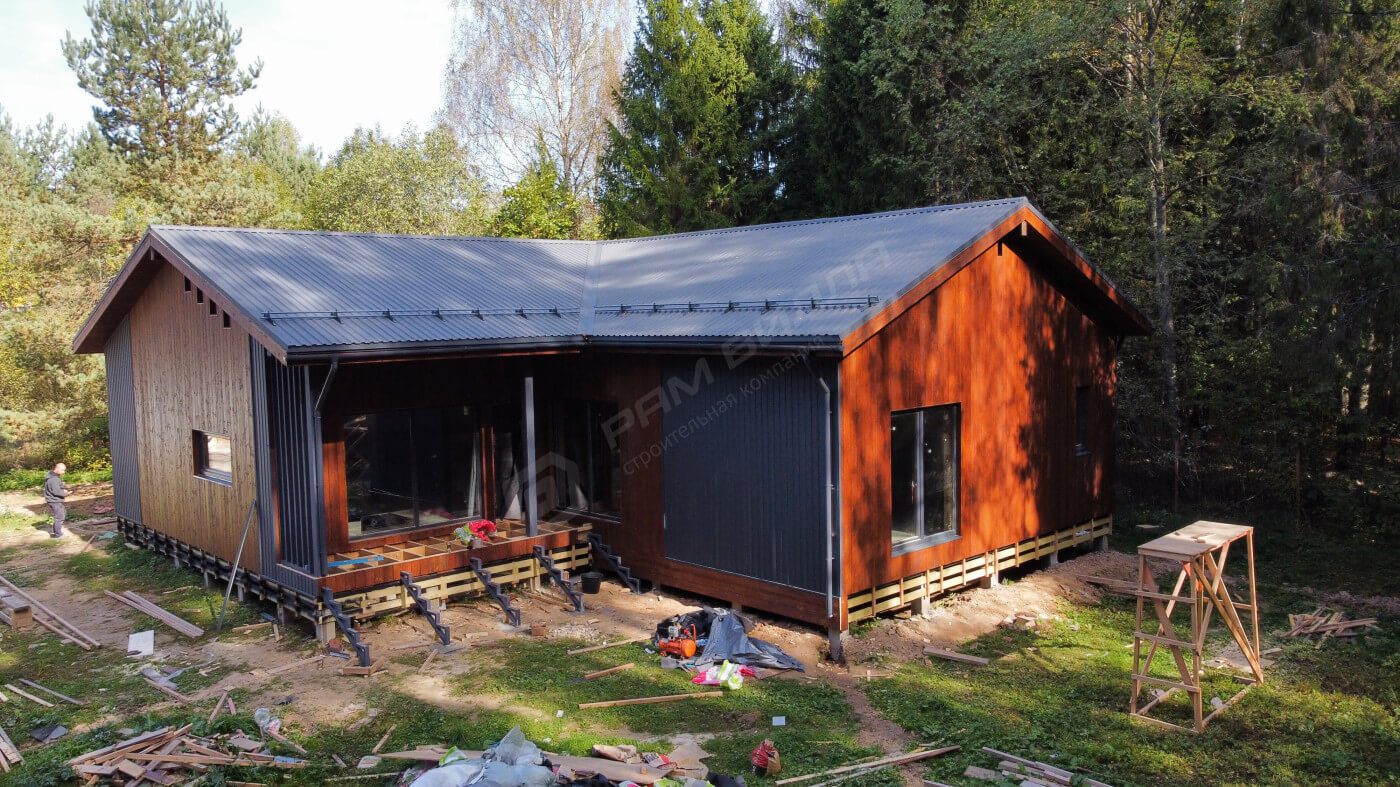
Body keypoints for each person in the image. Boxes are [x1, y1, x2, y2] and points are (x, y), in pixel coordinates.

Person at [43, 462, 71, 538]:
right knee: (60, 517)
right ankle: (58, 534)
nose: (63, 472)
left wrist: (63, 491)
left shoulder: (52, 477)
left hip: (54, 500)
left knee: (62, 514)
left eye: (64, 470)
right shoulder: (54, 479)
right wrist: (66, 494)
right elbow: (56, 492)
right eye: (62, 470)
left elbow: (56, 489)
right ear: (57, 468)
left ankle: (53, 531)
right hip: (54, 500)